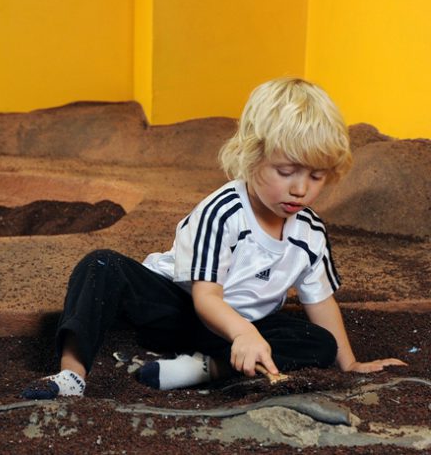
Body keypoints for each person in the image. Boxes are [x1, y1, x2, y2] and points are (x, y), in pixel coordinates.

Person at [22, 78, 406, 399]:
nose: (300, 189)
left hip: (238, 334)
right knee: (100, 265)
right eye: (286, 171)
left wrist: (350, 363)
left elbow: (321, 303)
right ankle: (71, 375)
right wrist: (244, 332)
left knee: (318, 342)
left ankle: (203, 370)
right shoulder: (223, 211)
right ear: (252, 155)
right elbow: (206, 298)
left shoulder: (311, 234)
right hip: (180, 309)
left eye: (316, 177)